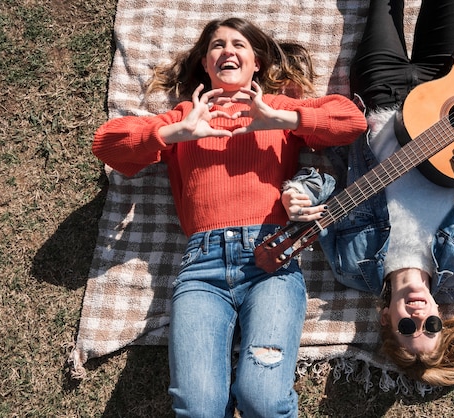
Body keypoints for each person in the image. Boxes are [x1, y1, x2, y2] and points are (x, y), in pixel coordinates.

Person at [92, 17, 367, 418]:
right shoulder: (184, 117)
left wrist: (285, 120)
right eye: (217, 46)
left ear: (257, 63)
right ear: (205, 64)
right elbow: (108, 144)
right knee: (199, 409)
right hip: (201, 271)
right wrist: (173, 133)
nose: (227, 51)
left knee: (264, 401)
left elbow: (351, 122)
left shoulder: (275, 108)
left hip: (270, 261)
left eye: (239, 44)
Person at [281, 0, 454, 387]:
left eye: (407, 326)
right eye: (430, 324)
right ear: (440, 317)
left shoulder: (351, 265)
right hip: (449, 93)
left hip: (380, 95)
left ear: (385, 320)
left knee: (382, 6)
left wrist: (298, 194)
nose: (418, 314)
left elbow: (325, 193)